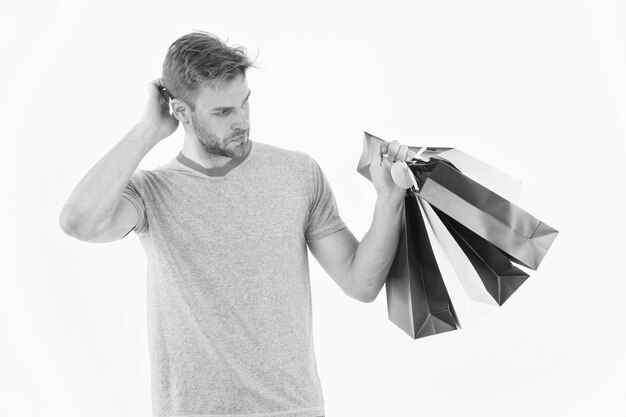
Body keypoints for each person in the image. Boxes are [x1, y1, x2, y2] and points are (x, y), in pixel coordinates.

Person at [59, 30, 417, 417]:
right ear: (180, 111)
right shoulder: (150, 193)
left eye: (244, 103)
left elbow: (361, 282)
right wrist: (148, 130)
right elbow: (79, 222)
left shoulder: (297, 173)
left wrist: (388, 198)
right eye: (222, 112)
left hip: (293, 409)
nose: (242, 121)